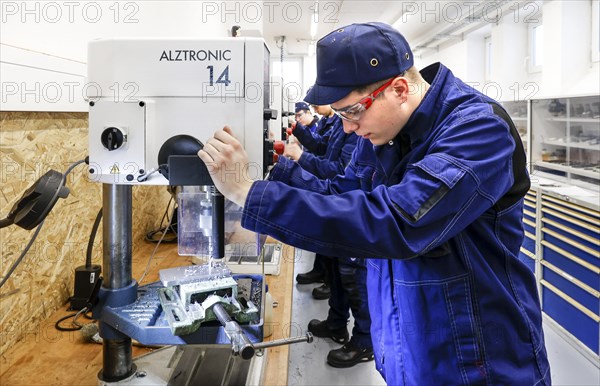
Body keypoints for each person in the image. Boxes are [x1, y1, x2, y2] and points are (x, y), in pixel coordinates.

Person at [199, 22, 551, 385]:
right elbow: (343, 195)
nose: (348, 128)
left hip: (480, 362)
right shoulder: (383, 132)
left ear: (399, 89)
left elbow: (397, 222)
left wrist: (249, 193)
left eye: (352, 112)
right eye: (340, 115)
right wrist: (271, 176)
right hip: (410, 352)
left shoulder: (477, 130)